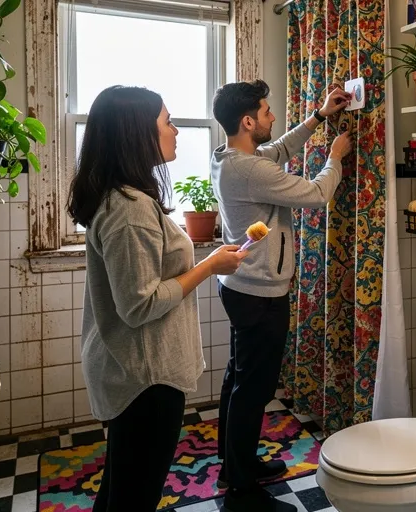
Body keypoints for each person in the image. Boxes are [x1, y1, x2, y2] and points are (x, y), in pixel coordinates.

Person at [66, 85, 247, 512]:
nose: (176, 130)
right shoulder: (129, 211)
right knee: (135, 497)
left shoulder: (124, 198)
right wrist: (209, 266)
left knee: (121, 487)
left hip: (132, 369)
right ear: (137, 133)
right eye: (168, 122)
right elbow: (140, 305)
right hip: (143, 380)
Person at [210, 79, 352, 512]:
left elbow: (280, 149)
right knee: (253, 390)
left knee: (239, 380)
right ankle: (241, 489)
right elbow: (317, 194)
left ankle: (234, 465)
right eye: (267, 112)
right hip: (259, 295)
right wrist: (335, 157)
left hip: (241, 288)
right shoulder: (251, 170)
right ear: (247, 121)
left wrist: (319, 116)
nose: (273, 116)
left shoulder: (231, 158)